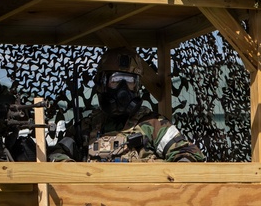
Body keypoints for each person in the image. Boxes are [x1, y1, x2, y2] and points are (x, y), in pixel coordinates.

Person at [51, 47, 204, 162]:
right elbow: (56, 155)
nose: (123, 89)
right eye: (116, 80)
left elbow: (189, 153)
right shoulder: (86, 127)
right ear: (102, 84)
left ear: (137, 86)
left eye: (130, 81)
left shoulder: (153, 125)